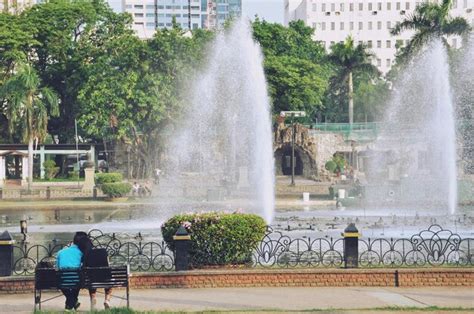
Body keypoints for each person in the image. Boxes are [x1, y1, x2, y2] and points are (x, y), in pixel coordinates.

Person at [77, 234, 113, 310]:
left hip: (93, 281)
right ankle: (107, 300)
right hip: (106, 279)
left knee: (92, 280)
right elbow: (108, 265)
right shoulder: (103, 251)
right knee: (108, 279)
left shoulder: (85, 256)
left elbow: (84, 270)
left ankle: (93, 298)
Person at [56, 232, 83, 311]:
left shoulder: (60, 252)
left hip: (63, 281)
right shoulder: (81, 253)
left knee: (65, 284)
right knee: (77, 281)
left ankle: (71, 304)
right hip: (76, 281)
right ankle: (72, 304)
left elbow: (57, 268)